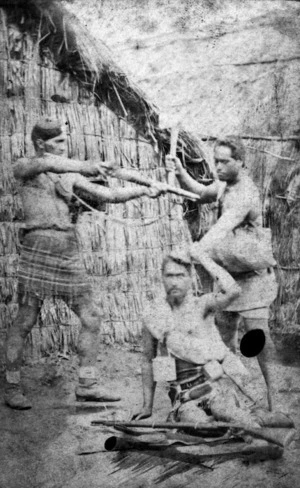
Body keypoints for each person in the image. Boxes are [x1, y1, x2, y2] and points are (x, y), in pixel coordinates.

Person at [5, 117, 166, 410]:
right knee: (26, 320)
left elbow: (110, 194)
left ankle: (87, 384)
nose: (65, 148)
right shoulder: (26, 166)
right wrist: (86, 166)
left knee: (91, 317)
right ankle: (12, 385)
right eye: (59, 143)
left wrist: (145, 190)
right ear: (41, 143)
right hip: (38, 245)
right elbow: (46, 165)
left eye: (65, 141)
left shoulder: (69, 176)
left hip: (67, 248)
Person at [165, 137, 278, 410]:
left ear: (240, 162)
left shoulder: (245, 192)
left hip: (252, 275)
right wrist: (180, 171)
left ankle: (275, 397)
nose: (218, 166)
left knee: (258, 336)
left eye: (225, 161)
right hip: (229, 274)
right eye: (215, 160)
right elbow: (201, 191)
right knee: (221, 338)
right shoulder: (225, 186)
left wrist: (199, 248)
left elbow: (223, 226)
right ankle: (227, 397)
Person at [133, 251, 274, 427]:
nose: (175, 281)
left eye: (180, 275)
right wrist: (147, 406)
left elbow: (234, 291)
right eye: (169, 275)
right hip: (183, 397)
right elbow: (147, 360)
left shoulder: (202, 305)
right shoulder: (154, 315)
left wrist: (203, 258)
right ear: (162, 277)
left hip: (214, 388)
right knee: (199, 424)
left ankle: (253, 429)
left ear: (191, 278)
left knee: (229, 414)